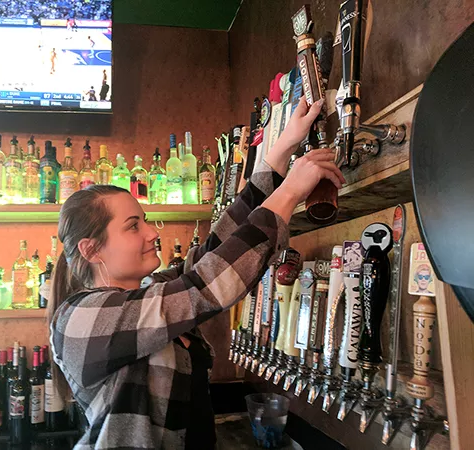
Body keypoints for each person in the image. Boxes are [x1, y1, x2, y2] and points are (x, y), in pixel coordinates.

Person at [49, 97, 345, 449]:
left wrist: (282, 149)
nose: (152, 233)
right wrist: (292, 191)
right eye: (133, 226)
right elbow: (206, 285)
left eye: (144, 220)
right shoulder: (78, 319)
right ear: (91, 249)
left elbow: (215, 250)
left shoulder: (149, 291)